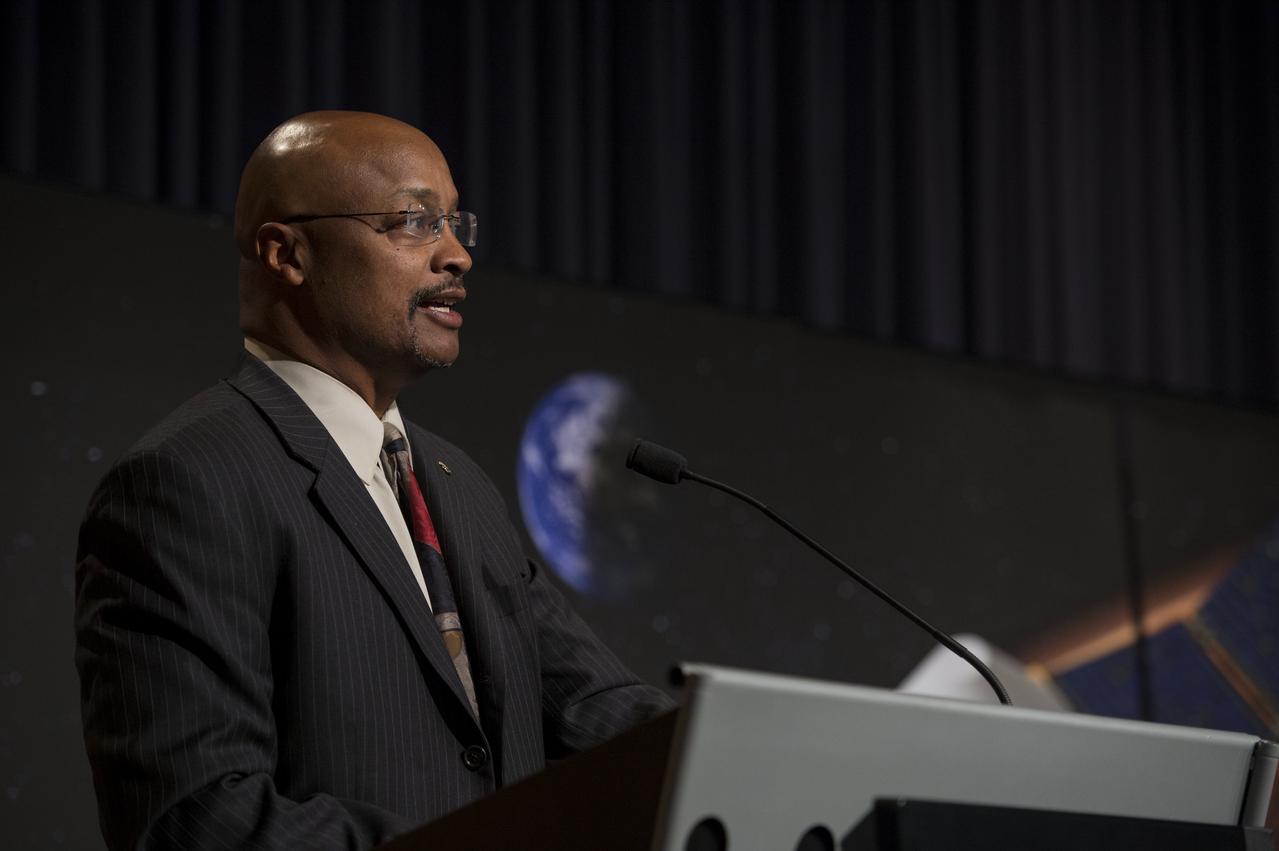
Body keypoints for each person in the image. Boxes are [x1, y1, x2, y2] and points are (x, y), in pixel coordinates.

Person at [74, 110, 674, 851]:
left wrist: (768, 746)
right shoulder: (187, 482)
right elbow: (195, 818)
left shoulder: (460, 488)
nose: (457, 256)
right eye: (415, 223)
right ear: (286, 253)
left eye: (457, 224)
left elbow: (595, 710)